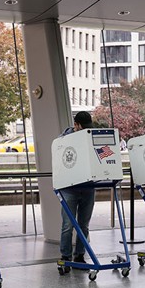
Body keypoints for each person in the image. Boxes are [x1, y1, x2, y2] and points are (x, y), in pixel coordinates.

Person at [58, 111, 96, 268]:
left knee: (84, 225)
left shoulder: (90, 137)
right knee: (67, 225)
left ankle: (79, 256)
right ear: (76, 125)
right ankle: (65, 257)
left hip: (88, 187)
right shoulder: (63, 141)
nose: (86, 130)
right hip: (69, 189)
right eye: (83, 127)